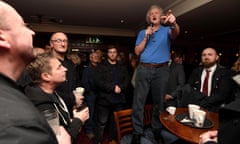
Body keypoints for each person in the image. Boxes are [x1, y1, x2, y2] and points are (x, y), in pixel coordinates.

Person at [0, 1, 70, 143]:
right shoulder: (16, 123)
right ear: (2, 38)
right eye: (23, 26)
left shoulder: (12, 93)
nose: (32, 32)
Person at [131, 5, 180, 144]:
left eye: (157, 13)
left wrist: (174, 23)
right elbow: (137, 52)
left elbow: (176, 33)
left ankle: (156, 129)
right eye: (151, 13)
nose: (154, 15)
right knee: (138, 103)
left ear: (161, 16)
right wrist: (146, 36)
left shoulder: (167, 30)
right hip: (144, 69)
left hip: (161, 70)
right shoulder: (142, 32)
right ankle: (137, 132)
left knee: (159, 102)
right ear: (149, 17)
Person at [25, 52, 89, 143]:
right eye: (59, 67)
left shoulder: (50, 92)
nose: (65, 69)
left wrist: (70, 120)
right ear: (46, 76)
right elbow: (59, 140)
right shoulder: (43, 106)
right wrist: (78, 120)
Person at [174, 47, 232, 112]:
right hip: (195, 106)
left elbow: (222, 95)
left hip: (214, 108)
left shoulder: (224, 72)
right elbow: (189, 88)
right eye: (204, 55)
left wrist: (202, 103)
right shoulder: (196, 71)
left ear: (217, 57)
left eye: (210, 54)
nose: (206, 57)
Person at [93, 45, 130, 144]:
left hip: (118, 99)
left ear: (116, 53)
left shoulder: (122, 66)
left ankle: (111, 141)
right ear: (107, 54)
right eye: (110, 52)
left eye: (114, 52)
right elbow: (98, 82)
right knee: (101, 123)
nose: (112, 54)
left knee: (115, 123)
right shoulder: (101, 66)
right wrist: (112, 88)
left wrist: (121, 87)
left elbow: (127, 80)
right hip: (104, 100)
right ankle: (98, 141)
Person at [50, 32, 80, 117]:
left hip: (71, 108)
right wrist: (73, 99)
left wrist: (77, 98)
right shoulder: (47, 62)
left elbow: (76, 82)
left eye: (65, 41)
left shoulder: (70, 64)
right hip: (54, 109)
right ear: (51, 44)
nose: (63, 44)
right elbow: (47, 90)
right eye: (58, 41)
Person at [82, 52, 99, 139]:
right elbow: (85, 82)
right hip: (91, 94)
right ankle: (89, 130)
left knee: (97, 113)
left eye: (96, 56)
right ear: (90, 58)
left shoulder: (100, 68)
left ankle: (95, 129)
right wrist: (90, 91)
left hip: (99, 94)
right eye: (93, 56)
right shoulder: (87, 69)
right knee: (91, 113)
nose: (95, 58)